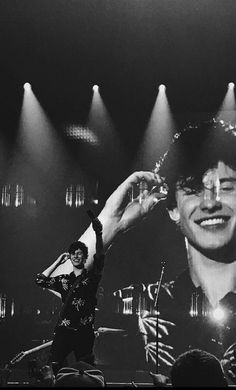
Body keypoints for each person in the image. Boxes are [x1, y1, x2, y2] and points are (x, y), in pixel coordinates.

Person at [55, 119, 236, 377]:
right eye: (193, 189)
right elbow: (56, 286)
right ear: (173, 208)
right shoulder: (140, 303)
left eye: (225, 187)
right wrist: (109, 224)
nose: (209, 203)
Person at [35, 217, 104, 374]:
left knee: (87, 371)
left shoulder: (92, 278)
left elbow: (100, 256)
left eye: (79, 254)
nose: (76, 256)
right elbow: (40, 280)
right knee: (54, 367)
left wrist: (98, 234)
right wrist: (58, 261)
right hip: (64, 331)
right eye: (73, 253)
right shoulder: (64, 280)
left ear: (85, 257)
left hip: (84, 331)